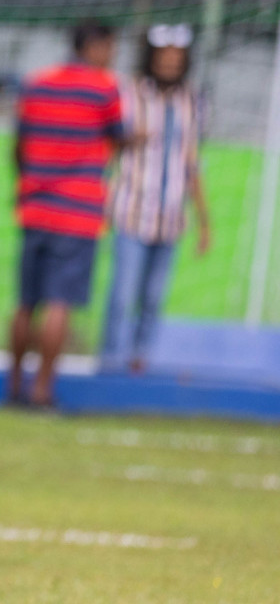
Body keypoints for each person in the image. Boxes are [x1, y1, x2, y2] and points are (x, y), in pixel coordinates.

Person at [9, 20, 125, 406]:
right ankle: (42, 391)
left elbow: (18, 144)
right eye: (110, 47)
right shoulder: (105, 88)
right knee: (59, 302)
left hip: (34, 207)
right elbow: (120, 136)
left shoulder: (36, 82)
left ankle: (13, 388)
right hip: (78, 212)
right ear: (96, 46)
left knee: (27, 302)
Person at [102, 23, 210, 373]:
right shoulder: (129, 92)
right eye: (164, 57)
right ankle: (110, 363)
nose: (170, 64)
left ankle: (139, 362)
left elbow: (193, 163)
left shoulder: (193, 100)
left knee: (153, 299)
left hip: (171, 217)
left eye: (177, 58)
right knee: (122, 295)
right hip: (131, 211)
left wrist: (204, 221)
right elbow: (108, 143)